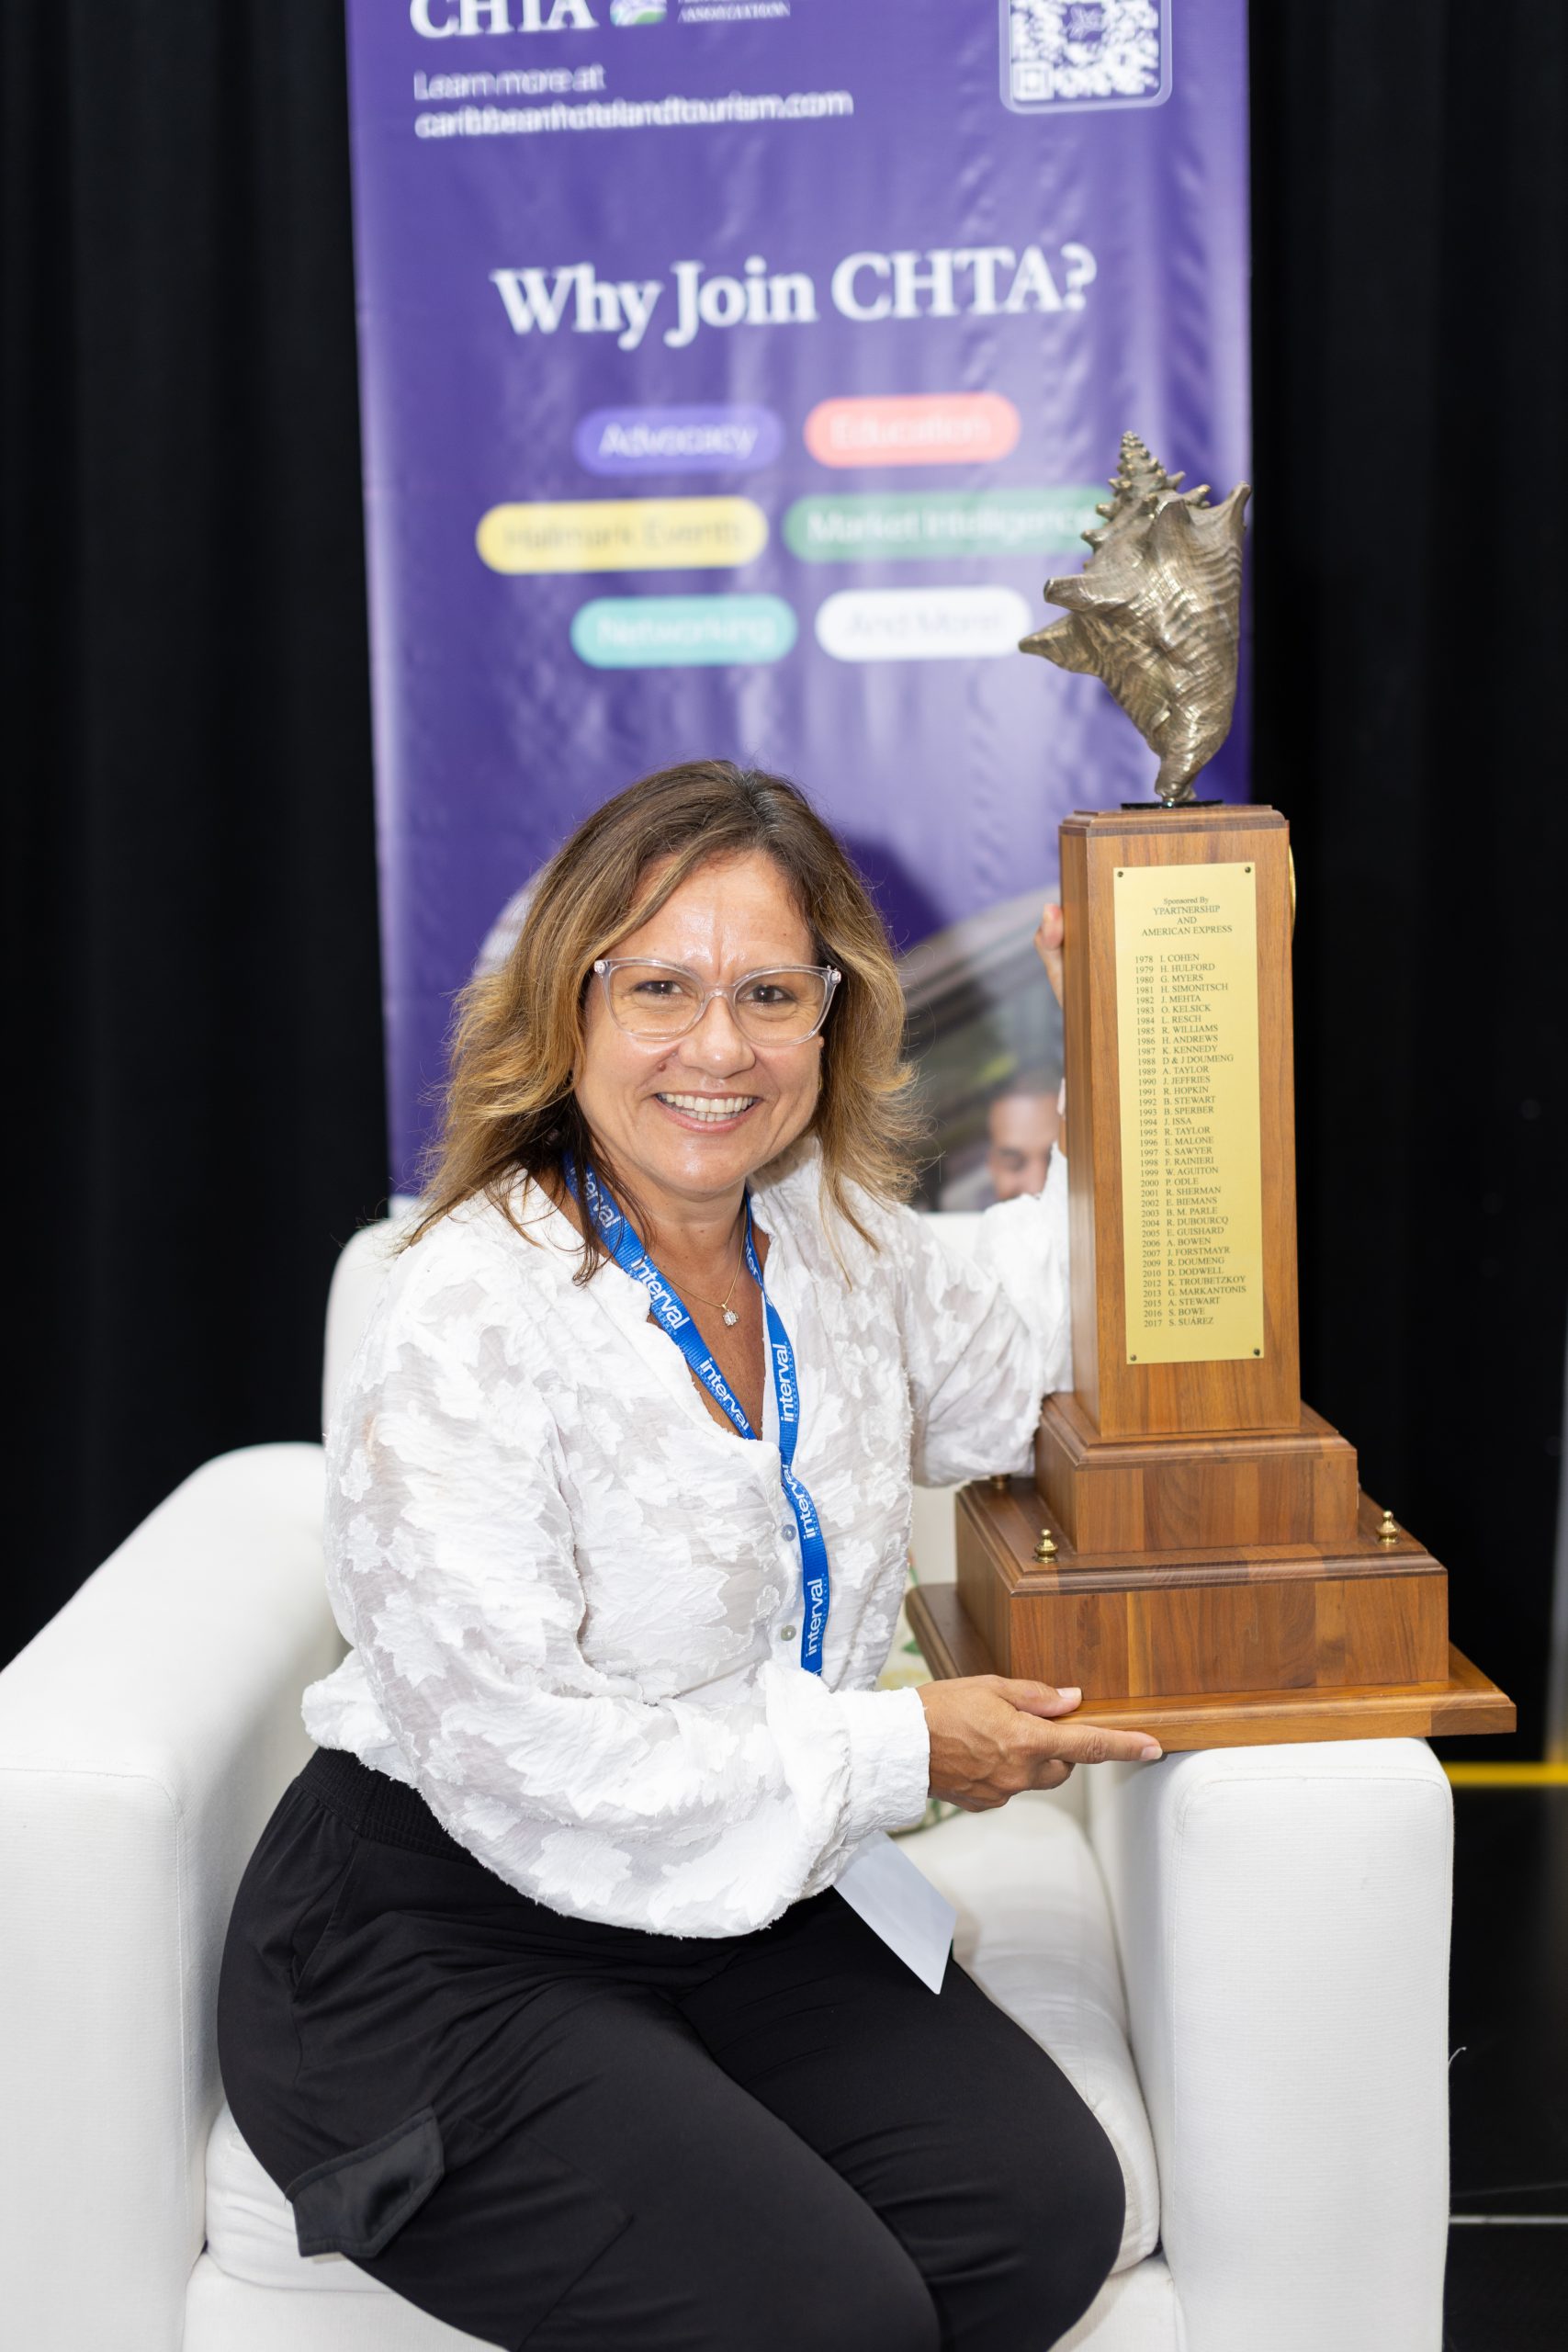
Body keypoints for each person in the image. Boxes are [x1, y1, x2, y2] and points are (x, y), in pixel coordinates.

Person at [217, 761, 1160, 2352]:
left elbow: (1039, 1354)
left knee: (1039, 2216)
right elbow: (519, 1748)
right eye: (658, 988)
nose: (716, 1048)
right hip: (438, 1929)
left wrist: (1119, 1046)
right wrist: (898, 1742)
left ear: (831, 1017)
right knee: (824, 2315)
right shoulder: (460, 1311)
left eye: (768, 993)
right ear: (567, 1007)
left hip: (736, 1897)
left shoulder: (840, 1241)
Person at [986, 1075, 1064, 1202]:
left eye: (1055, 1161)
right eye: (1014, 1163)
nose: (1036, 1187)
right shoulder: (957, 1218)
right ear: (991, 1164)